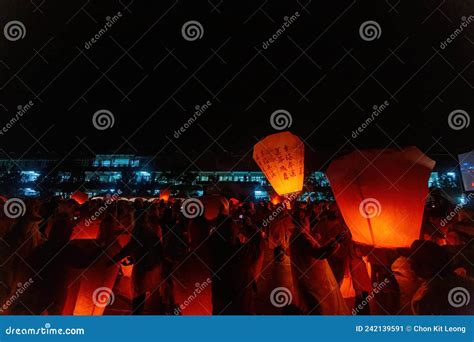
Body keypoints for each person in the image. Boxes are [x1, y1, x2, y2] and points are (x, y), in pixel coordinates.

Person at [289, 208, 350, 314]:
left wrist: (315, 239)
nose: (309, 222)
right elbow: (319, 253)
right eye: (307, 220)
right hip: (312, 282)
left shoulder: (300, 235)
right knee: (318, 308)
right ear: (303, 221)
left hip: (310, 279)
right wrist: (336, 241)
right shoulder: (301, 237)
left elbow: (309, 249)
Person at [409, 240, 474, 315]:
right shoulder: (467, 282)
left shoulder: (425, 299)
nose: (411, 267)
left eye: (415, 262)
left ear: (428, 267)